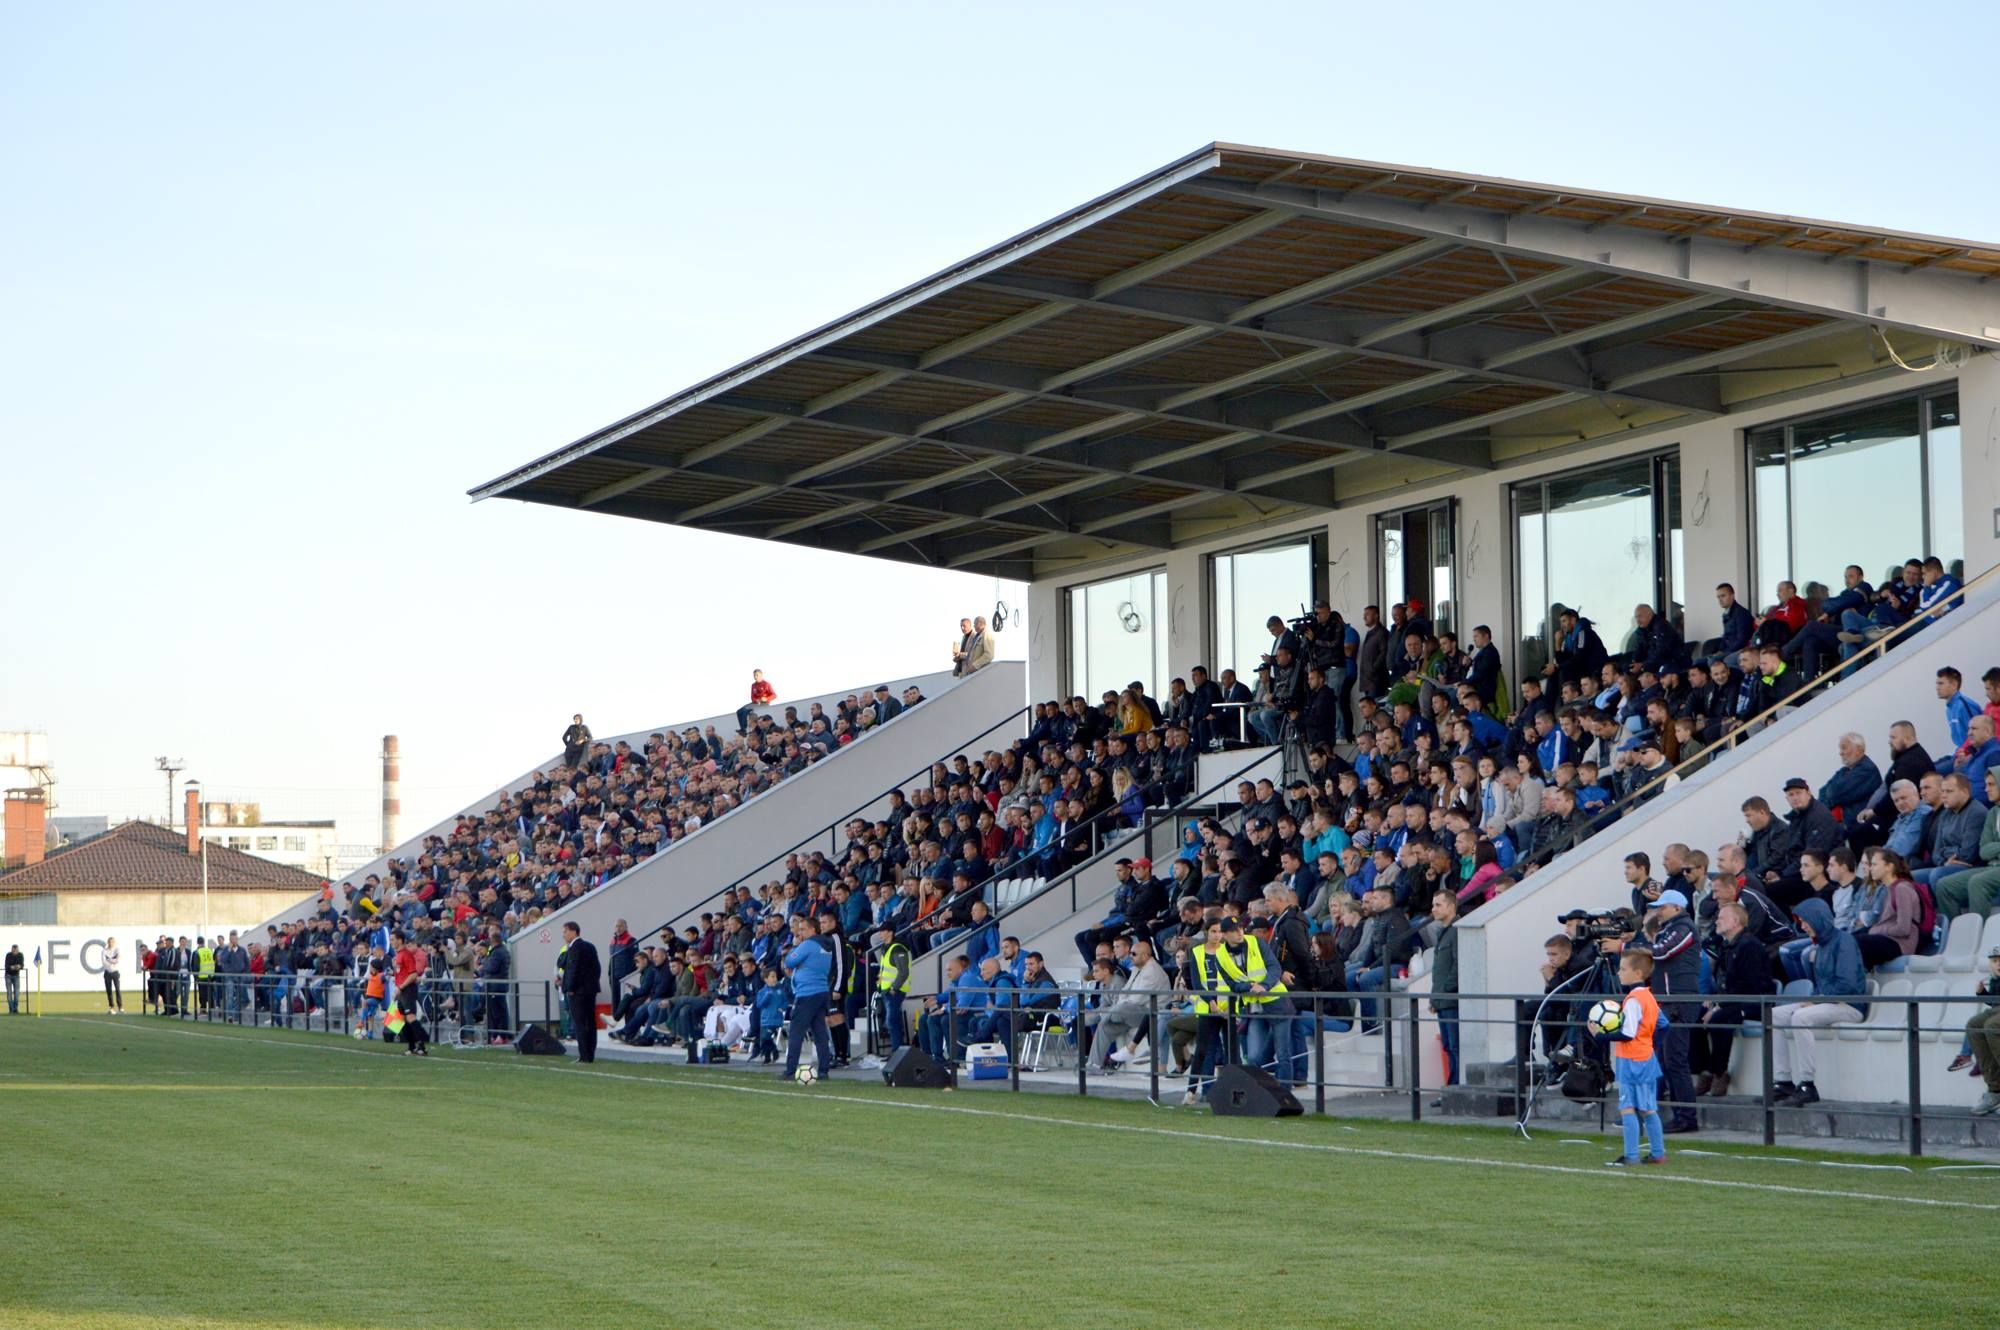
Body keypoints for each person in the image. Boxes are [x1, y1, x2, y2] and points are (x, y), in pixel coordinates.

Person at [1769, 898, 1867, 1107]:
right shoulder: (1821, 945)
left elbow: (1847, 985)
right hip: (1828, 1002)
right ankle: (1783, 1080)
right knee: (1775, 1015)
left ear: (1817, 919)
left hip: (1849, 1005)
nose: (1802, 926)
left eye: (1805, 921)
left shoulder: (1844, 941)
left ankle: (1807, 1084)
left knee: (1801, 1016)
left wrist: (1818, 999)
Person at [1691, 902, 1774, 1098]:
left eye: (1721, 918)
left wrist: (1719, 1005)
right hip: (1733, 1001)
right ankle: (1703, 1070)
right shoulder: (1727, 947)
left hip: (1756, 1003)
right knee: (1694, 1015)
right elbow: (1725, 984)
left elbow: (1749, 987)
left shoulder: (1749, 946)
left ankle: (1719, 1072)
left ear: (1735, 921)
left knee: (1721, 1019)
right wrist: (1713, 1001)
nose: (1717, 921)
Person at [1599, 947, 1665, 1167]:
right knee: (1648, 1108)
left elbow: (1627, 1033)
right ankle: (1657, 1153)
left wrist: (1599, 1034)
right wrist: (1649, 1042)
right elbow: (1664, 1025)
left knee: (1628, 1108)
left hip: (1630, 1060)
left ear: (1637, 974)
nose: (1619, 973)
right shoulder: (1649, 997)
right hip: (1647, 1057)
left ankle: (1631, 1156)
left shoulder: (1633, 1000)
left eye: (1623, 968)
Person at [780, 915, 833, 1081]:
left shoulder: (808, 945)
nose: (800, 933)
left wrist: (796, 951)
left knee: (796, 1032)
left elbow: (788, 961)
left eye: (803, 929)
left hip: (807, 993)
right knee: (820, 1033)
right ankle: (824, 1070)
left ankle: (790, 1071)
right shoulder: (826, 946)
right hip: (822, 991)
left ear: (812, 929)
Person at [1963, 947, 2000, 1117]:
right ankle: (1995, 1089)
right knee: (1974, 1025)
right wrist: (1982, 993)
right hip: (1997, 1010)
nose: (1998, 964)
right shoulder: (1994, 979)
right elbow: (1993, 1002)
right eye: (1994, 961)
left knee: (1991, 1026)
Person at [559, 921, 600, 1063]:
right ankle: (590, 1054)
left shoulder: (575, 947)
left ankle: (584, 1056)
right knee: (590, 1022)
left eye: (565, 931)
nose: (563, 935)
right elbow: (597, 968)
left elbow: (573, 969)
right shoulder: (590, 946)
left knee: (580, 1023)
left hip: (577, 992)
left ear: (573, 931)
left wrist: (570, 988)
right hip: (590, 990)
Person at [872, 925, 913, 1053]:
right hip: (886, 991)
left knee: (892, 1021)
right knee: (892, 1022)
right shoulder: (887, 948)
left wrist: (894, 988)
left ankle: (897, 1052)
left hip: (894, 991)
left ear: (890, 932)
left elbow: (903, 972)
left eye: (883, 931)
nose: (880, 934)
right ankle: (896, 1051)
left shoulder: (897, 948)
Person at [738, 670, 776, 735]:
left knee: (745, 711)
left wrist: (766, 699)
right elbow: (752, 697)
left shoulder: (766, 684)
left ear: (761, 675)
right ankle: (743, 729)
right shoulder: (753, 685)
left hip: (764, 703)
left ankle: (745, 728)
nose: (755, 677)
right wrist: (756, 700)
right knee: (739, 711)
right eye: (754, 675)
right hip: (756, 703)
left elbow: (774, 695)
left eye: (757, 675)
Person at [102, 937, 123, 1014]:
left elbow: (117, 960)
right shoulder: (104, 951)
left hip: (115, 972)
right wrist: (112, 961)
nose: (111, 943)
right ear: (108, 942)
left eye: (112, 942)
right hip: (107, 972)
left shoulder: (117, 950)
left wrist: (110, 960)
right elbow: (104, 962)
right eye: (110, 942)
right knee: (109, 990)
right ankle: (111, 1007)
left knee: (117, 989)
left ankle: (120, 1007)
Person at [4, 944, 21, 1014]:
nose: (14, 951)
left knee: (17, 993)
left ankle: (15, 1008)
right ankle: (11, 1009)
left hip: (16, 976)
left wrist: (18, 966)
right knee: (9, 993)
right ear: (11, 950)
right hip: (8, 976)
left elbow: (21, 964)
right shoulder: (8, 955)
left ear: (17, 950)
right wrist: (14, 967)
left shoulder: (20, 955)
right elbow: (7, 966)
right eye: (13, 950)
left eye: (16, 950)